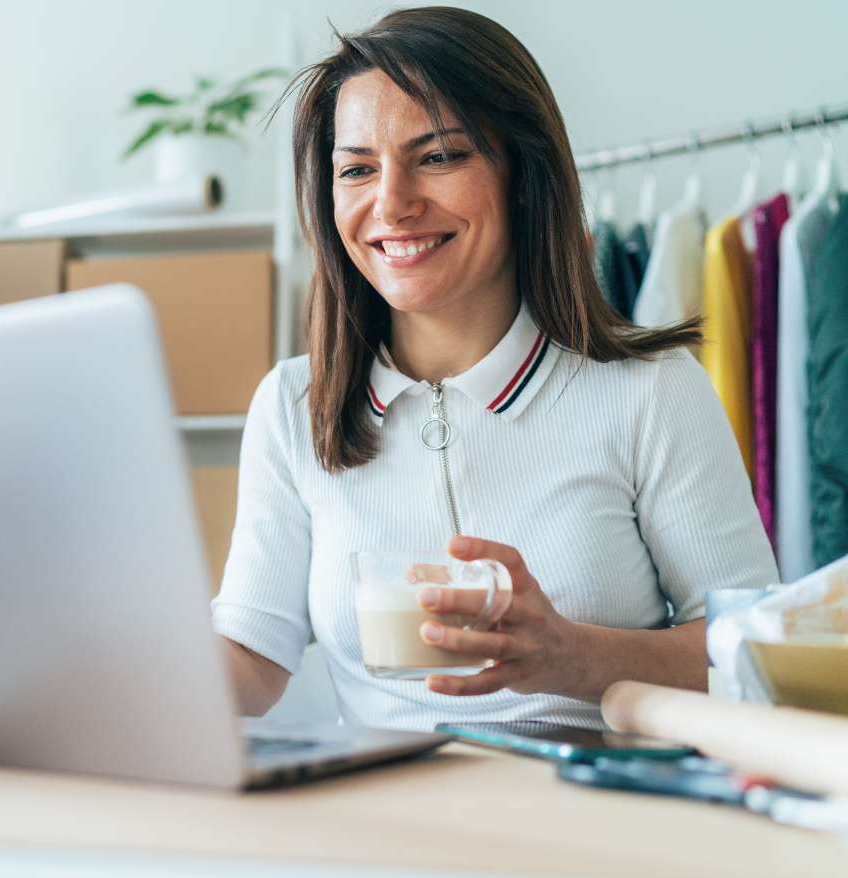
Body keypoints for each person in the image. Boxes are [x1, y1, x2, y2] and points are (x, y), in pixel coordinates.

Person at [211, 7, 777, 731]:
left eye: (440, 156)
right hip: (385, 825)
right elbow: (251, 661)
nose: (392, 204)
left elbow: (753, 656)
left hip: (596, 818)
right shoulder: (294, 403)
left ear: (521, 171)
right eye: (357, 169)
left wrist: (574, 655)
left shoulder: (652, 389)